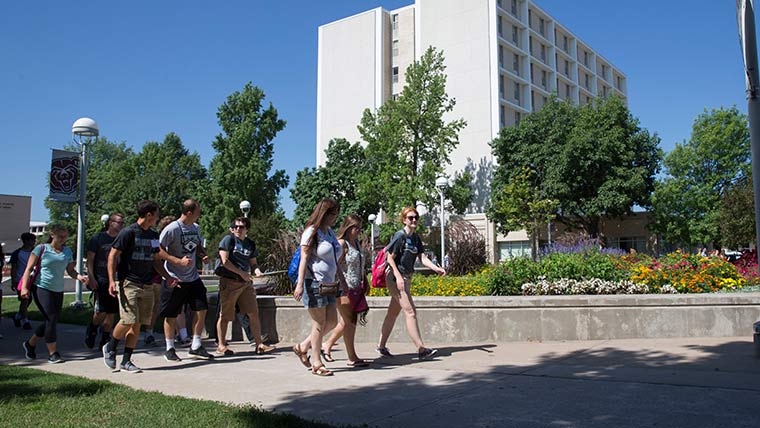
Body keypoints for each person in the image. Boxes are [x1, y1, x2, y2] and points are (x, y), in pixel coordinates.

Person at [103, 200, 173, 373]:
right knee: (128, 320)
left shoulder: (153, 236)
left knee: (138, 324)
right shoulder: (128, 232)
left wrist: (167, 277)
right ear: (149, 215)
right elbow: (113, 255)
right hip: (129, 283)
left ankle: (126, 361)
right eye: (156, 214)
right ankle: (110, 346)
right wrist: (112, 280)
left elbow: (156, 260)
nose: (157, 218)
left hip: (147, 284)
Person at [377, 207, 445, 360]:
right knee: (410, 312)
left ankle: (381, 346)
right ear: (404, 220)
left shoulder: (415, 238)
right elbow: (389, 258)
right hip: (395, 279)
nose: (414, 220)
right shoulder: (399, 236)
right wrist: (398, 276)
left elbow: (422, 258)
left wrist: (436, 269)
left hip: (406, 278)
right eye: (410, 218)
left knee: (392, 313)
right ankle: (421, 349)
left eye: (416, 217)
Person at [20, 224, 89, 363]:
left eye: (65, 236)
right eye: (60, 236)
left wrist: (79, 277)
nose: (63, 239)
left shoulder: (67, 251)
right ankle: (53, 353)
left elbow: (70, 271)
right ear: (52, 235)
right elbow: (28, 269)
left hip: (58, 289)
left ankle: (30, 344)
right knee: (51, 319)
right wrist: (24, 288)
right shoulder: (41, 249)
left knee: (51, 320)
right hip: (41, 287)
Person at [292, 198, 345, 376]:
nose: (334, 218)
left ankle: (303, 346)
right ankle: (316, 362)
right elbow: (304, 259)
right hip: (313, 282)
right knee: (318, 323)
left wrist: (341, 279)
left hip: (330, 283)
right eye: (332, 214)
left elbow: (334, 260)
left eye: (336, 214)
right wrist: (299, 284)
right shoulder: (311, 232)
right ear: (323, 213)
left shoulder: (329, 233)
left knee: (331, 322)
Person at [158, 199, 213, 362]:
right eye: (198, 212)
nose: (199, 214)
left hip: (192, 277)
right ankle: (169, 348)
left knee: (201, 308)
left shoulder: (195, 228)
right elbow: (159, 250)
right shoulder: (172, 229)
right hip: (174, 277)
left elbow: (196, 245)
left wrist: (202, 254)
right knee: (171, 314)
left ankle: (196, 345)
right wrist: (177, 261)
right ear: (189, 212)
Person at [215, 216, 275, 355]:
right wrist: (241, 273)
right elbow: (225, 261)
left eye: (241, 227)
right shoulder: (228, 240)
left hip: (245, 283)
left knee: (253, 313)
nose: (237, 229)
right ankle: (221, 345)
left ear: (247, 229)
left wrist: (257, 271)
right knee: (225, 315)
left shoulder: (250, 244)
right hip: (229, 282)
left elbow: (253, 263)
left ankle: (259, 344)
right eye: (235, 226)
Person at [321, 214, 370, 367]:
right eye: (356, 227)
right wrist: (342, 283)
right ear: (348, 228)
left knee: (347, 321)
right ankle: (352, 357)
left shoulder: (356, 243)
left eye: (360, 228)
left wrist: (365, 280)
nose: (358, 230)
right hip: (344, 288)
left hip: (356, 287)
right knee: (350, 321)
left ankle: (326, 345)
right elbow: (334, 265)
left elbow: (360, 264)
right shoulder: (342, 244)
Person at [85, 213, 125, 350]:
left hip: (116, 279)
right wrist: (91, 277)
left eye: (122, 223)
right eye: (119, 222)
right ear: (110, 223)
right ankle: (93, 328)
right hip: (100, 278)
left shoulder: (123, 239)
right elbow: (90, 259)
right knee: (101, 310)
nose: (121, 225)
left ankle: (105, 337)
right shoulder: (99, 238)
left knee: (112, 311)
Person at [142, 215, 177, 347]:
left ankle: (149, 333)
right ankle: (145, 332)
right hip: (151, 276)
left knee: (156, 306)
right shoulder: (155, 239)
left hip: (164, 276)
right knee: (147, 307)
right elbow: (156, 255)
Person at [10, 233, 36, 331]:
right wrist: (13, 281)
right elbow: (14, 268)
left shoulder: (34, 252)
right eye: (32, 240)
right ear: (26, 241)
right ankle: (25, 320)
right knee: (25, 299)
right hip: (20, 279)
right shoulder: (17, 253)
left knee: (28, 300)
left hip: (32, 279)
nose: (34, 242)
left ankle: (17, 316)